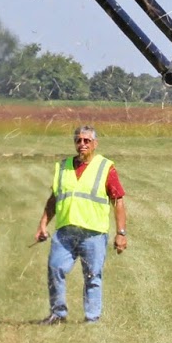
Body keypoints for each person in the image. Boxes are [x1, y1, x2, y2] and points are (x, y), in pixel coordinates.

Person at [34, 125, 127, 324]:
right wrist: (43, 223)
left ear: (95, 143)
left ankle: (92, 319)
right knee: (55, 268)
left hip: (93, 233)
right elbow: (54, 198)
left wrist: (121, 232)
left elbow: (118, 200)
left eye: (87, 141)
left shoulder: (105, 167)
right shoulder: (63, 166)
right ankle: (58, 314)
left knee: (93, 275)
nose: (82, 144)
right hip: (65, 232)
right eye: (78, 140)